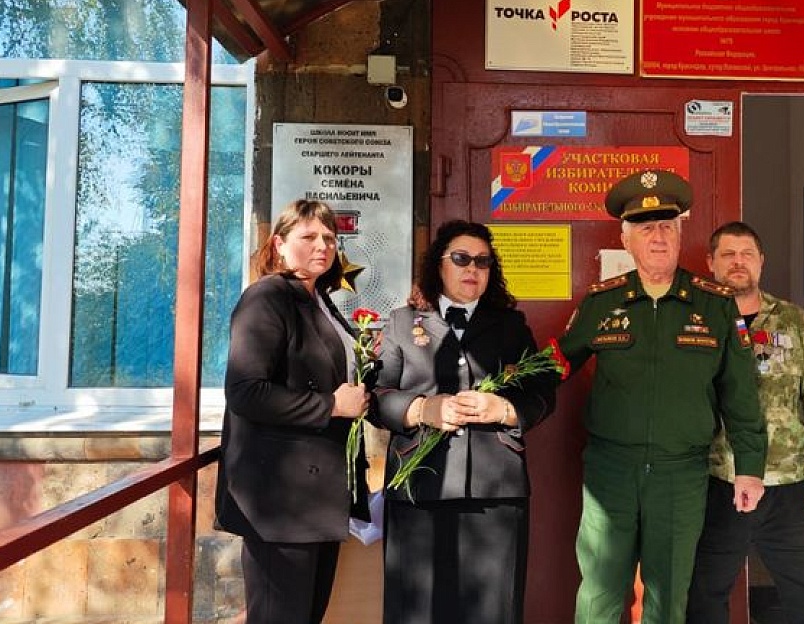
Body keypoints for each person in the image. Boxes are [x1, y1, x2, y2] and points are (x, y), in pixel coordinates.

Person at [558, 170, 767, 624]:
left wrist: (750, 468)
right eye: (646, 227)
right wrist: (504, 393)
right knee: (598, 592)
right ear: (626, 239)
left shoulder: (715, 304)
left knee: (668, 594)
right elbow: (556, 363)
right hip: (611, 472)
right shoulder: (602, 302)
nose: (658, 237)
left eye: (667, 227)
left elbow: (740, 392)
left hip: (681, 474)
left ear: (679, 235)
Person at [371, 219, 560, 624]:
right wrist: (421, 409)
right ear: (439, 265)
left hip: (495, 488)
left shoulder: (510, 325)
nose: (472, 268)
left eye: (483, 261)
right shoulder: (402, 321)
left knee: (493, 610)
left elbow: (543, 391)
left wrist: (504, 409)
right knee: (416, 611)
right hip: (419, 486)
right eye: (461, 258)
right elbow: (376, 397)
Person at [214, 199, 371, 624]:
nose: (323, 246)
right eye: (308, 237)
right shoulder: (266, 297)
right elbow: (246, 391)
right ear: (279, 245)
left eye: (330, 238)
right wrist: (331, 405)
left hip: (316, 497)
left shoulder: (318, 298)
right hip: (281, 501)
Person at [687, 221, 804, 624]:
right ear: (710, 262)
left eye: (747, 254)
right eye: (727, 254)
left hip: (791, 486)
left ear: (761, 261)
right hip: (717, 482)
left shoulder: (794, 322)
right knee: (700, 602)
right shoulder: (693, 324)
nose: (737, 262)